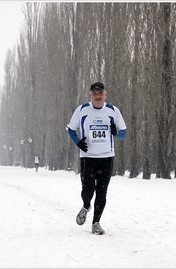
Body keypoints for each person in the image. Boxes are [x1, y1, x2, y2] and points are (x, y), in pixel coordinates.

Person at [67, 82, 126, 235]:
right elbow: (71, 130)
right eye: (95, 93)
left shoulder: (113, 111)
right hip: (88, 157)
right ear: (90, 95)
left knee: (102, 192)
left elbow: (123, 134)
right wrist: (78, 142)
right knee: (87, 190)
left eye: (100, 93)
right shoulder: (82, 110)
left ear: (105, 94)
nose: (97, 96)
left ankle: (96, 223)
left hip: (107, 157)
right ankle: (86, 206)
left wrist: (116, 132)